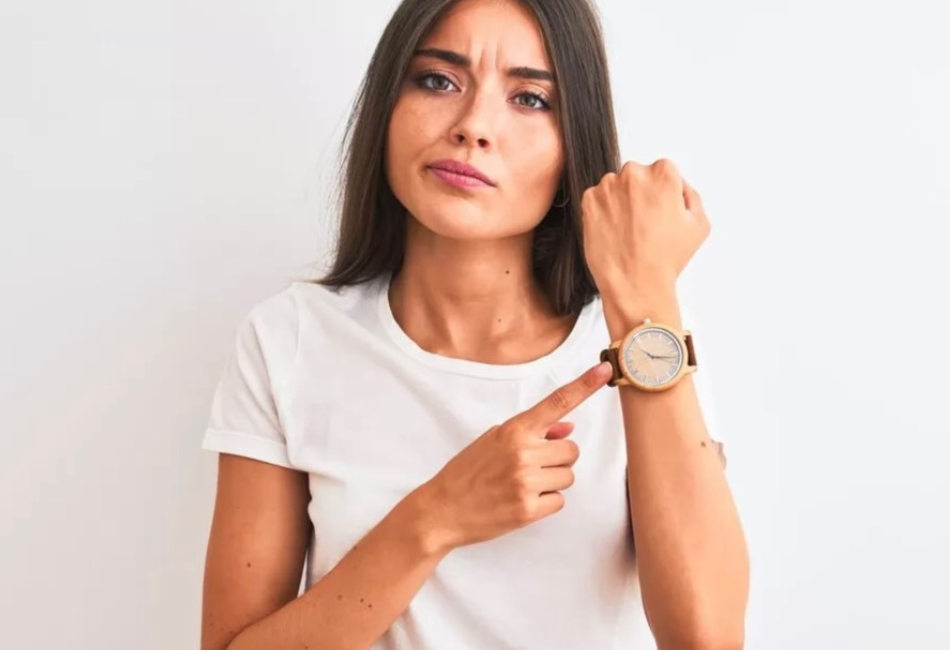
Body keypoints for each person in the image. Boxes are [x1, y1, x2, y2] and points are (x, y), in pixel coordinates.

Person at [199, 0, 749, 648]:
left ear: (574, 142)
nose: (473, 127)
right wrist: (436, 516)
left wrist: (644, 299)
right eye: (438, 81)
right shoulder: (289, 341)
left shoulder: (646, 345)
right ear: (387, 105)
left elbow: (706, 639)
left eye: (530, 99)